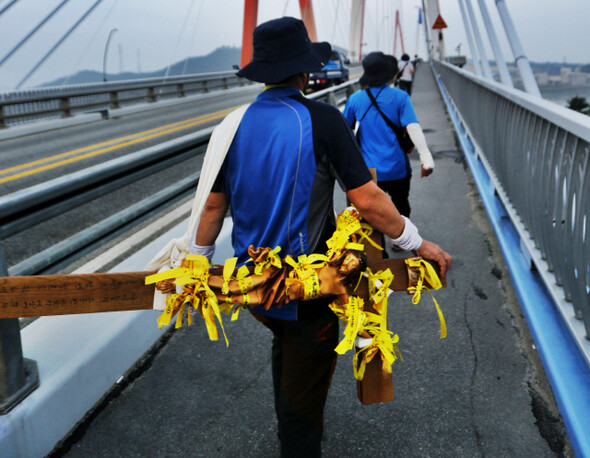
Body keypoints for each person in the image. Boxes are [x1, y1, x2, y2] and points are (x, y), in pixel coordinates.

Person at [192, 17, 451, 457]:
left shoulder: (231, 126)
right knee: (303, 398)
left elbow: (214, 206)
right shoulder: (321, 119)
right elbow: (368, 200)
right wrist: (418, 243)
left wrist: (197, 269)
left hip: (250, 287)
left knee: (288, 344)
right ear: (306, 72)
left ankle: (290, 427)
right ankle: (297, 444)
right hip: (305, 290)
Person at [343, 51, 434, 238]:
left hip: (369, 172)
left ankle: (380, 254)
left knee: (372, 214)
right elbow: (413, 127)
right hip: (398, 167)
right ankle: (402, 240)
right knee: (401, 204)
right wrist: (426, 159)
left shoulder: (355, 99)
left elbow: (345, 132)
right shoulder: (400, 97)